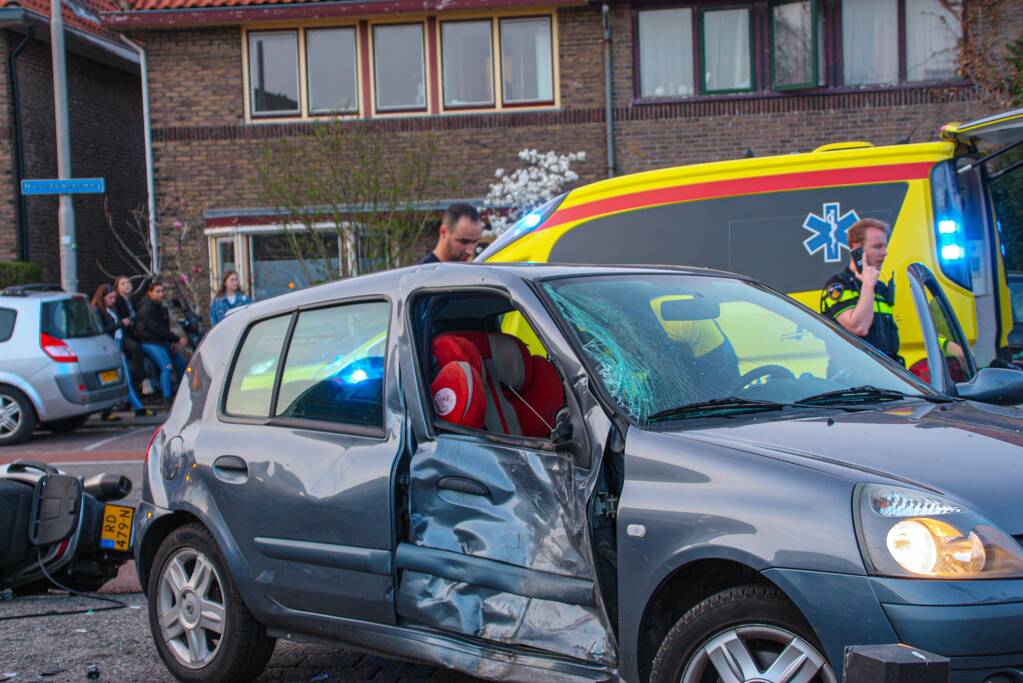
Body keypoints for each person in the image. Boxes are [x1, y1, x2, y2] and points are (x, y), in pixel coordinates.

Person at [820, 218, 901, 363]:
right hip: (854, 376)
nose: (885, 253)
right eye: (878, 246)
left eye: (885, 246)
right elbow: (858, 327)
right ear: (857, 248)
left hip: (887, 371)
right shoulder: (838, 285)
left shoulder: (880, 288)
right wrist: (868, 285)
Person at [90, 285, 155, 418]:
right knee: (123, 379)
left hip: (117, 346)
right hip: (111, 348)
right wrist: (120, 324)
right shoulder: (98, 311)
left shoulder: (110, 310)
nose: (113, 300)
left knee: (123, 379)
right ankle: (138, 409)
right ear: (102, 298)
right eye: (110, 297)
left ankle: (129, 408)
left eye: (114, 297)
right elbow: (102, 330)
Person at [136, 282, 189, 405]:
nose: (161, 294)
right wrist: (176, 339)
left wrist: (171, 341)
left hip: (161, 340)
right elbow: (157, 329)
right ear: (150, 293)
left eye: (162, 291)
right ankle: (167, 398)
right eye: (158, 291)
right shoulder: (147, 308)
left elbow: (164, 328)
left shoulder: (160, 307)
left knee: (181, 364)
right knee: (167, 367)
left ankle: (181, 392)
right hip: (150, 341)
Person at [112, 275, 154, 396]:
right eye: (123, 284)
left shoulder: (131, 300)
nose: (127, 285)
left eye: (128, 282)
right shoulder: (118, 301)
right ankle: (144, 382)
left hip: (134, 332)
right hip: (123, 335)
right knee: (135, 348)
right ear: (117, 288)